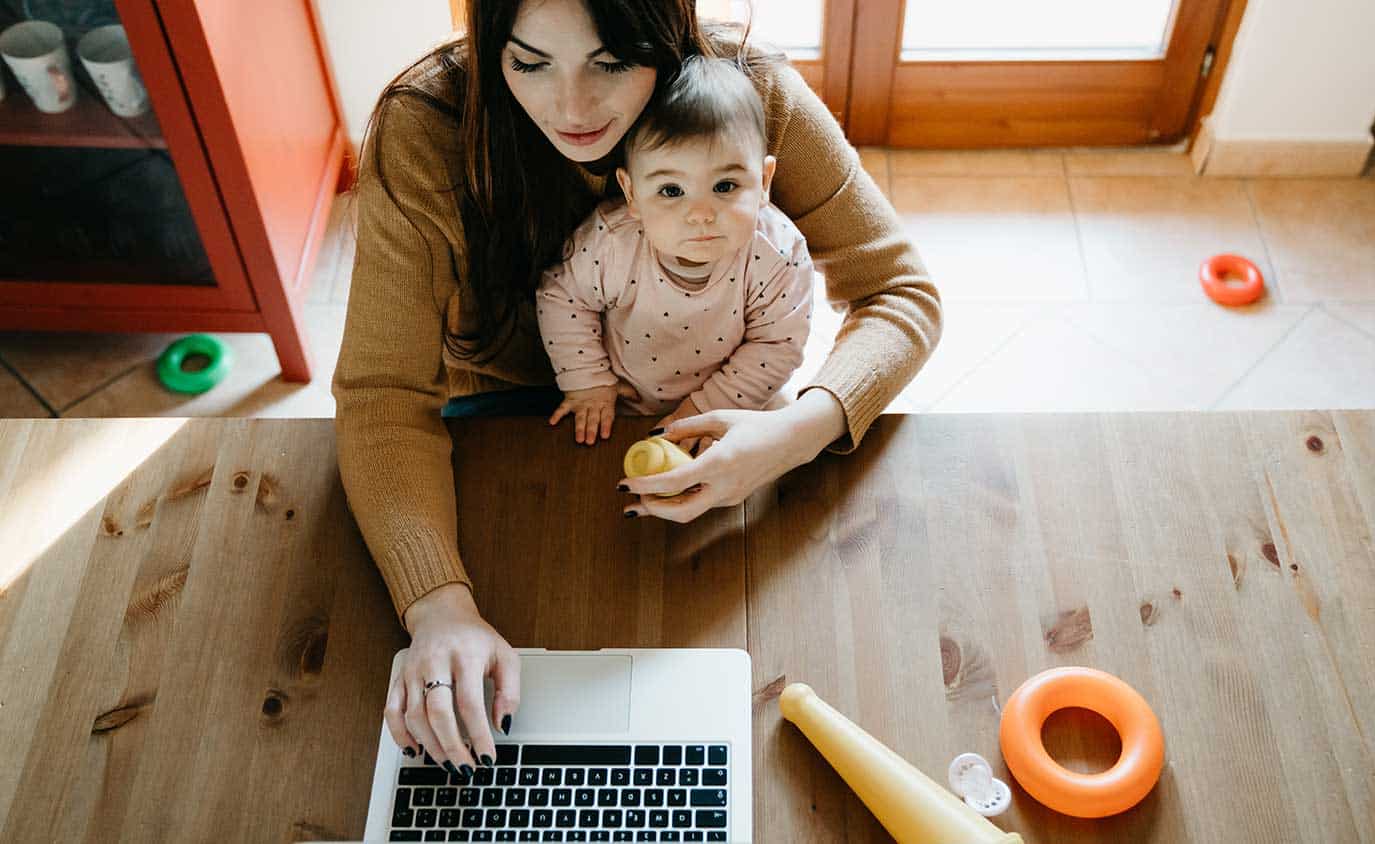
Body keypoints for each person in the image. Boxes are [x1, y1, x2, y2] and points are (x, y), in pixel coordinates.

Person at [334, 0, 941, 782]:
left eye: (611, 61)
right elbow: (383, 396)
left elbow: (901, 293)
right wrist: (437, 607)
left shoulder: (751, 92)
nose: (574, 108)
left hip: (702, 435)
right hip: (497, 429)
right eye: (529, 63)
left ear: (664, 32)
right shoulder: (427, 131)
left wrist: (794, 433)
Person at [539, 55, 813, 453]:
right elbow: (561, 298)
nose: (701, 214)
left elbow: (777, 346)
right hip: (621, 403)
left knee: (775, 477)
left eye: (725, 186)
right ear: (631, 193)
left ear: (764, 181)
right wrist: (588, 382)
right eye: (671, 191)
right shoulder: (613, 243)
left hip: (740, 405)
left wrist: (703, 410)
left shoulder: (777, 255)